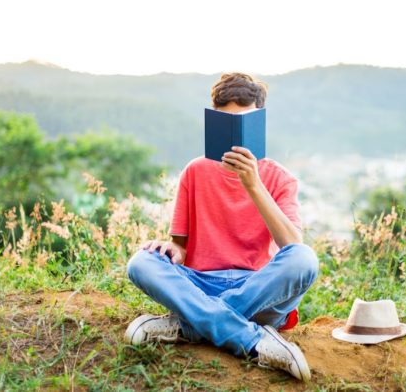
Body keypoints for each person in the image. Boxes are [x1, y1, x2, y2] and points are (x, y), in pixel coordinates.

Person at [124, 72, 319, 382]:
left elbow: (293, 246)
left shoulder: (280, 178)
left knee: (305, 259)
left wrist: (253, 184)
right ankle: (254, 341)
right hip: (201, 283)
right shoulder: (195, 170)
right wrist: (170, 248)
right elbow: (180, 246)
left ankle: (189, 326)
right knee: (141, 263)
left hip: (259, 291)